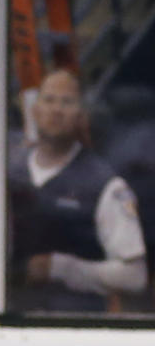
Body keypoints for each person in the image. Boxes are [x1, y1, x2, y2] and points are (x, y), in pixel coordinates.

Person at [8, 69, 148, 313]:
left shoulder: (104, 184)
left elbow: (135, 276)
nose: (56, 110)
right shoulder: (8, 171)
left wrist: (63, 269)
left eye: (67, 102)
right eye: (49, 100)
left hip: (74, 327)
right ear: (34, 110)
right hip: (7, 319)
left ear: (81, 116)